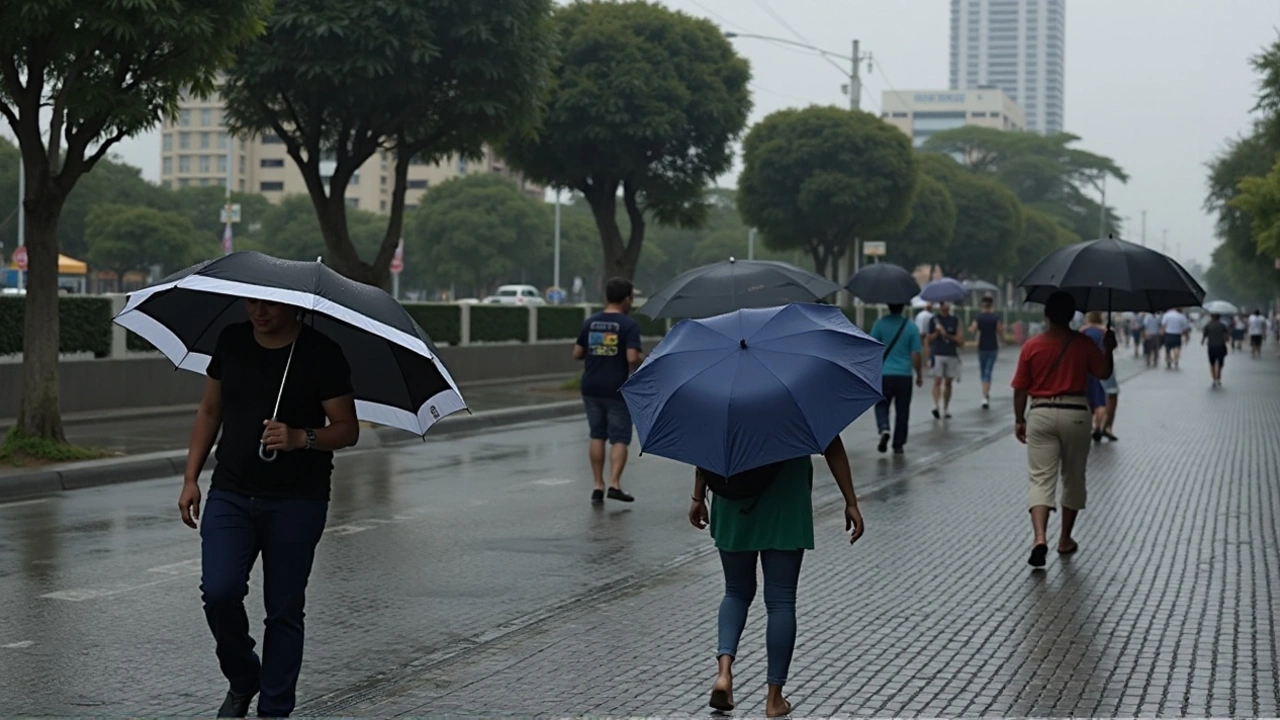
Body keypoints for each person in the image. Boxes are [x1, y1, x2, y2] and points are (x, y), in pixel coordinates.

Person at [179, 298, 359, 718]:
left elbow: (347, 429)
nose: (258, 312)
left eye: (269, 305)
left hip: (298, 499)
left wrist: (301, 438)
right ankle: (244, 677)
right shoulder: (232, 340)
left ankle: (274, 710)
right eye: (251, 303)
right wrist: (191, 477)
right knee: (219, 593)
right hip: (231, 492)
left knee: (283, 610)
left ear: (293, 307)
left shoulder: (322, 352)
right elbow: (210, 410)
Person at [689, 437, 864, 717]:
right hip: (787, 496)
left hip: (733, 494)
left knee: (735, 591)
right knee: (781, 601)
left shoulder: (723, 392)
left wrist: (698, 496)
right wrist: (851, 501)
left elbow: (707, 446)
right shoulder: (801, 392)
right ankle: (774, 699)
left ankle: (724, 673)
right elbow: (831, 443)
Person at [1012, 291, 1115, 567]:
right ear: (1071, 316)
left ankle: (1039, 538)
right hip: (1076, 414)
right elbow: (1103, 374)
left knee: (1040, 479)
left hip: (1041, 413)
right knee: (1073, 476)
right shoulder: (1083, 344)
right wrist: (1109, 349)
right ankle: (1065, 539)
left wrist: (1020, 419)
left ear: (1047, 315)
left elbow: (1020, 387)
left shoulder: (1032, 346)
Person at [574, 277, 644, 504]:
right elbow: (632, 358)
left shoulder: (591, 322)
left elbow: (577, 353)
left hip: (591, 386)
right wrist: (645, 359)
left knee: (597, 434)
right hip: (616, 387)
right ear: (627, 299)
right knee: (620, 437)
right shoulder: (628, 325)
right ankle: (614, 483)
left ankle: (597, 485)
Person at [870, 303, 924, 455]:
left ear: (888, 306)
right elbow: (916, 354)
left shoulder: (879, 324)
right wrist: (919, 374)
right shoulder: (911, 327)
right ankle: (898, 444)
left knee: (881, 405)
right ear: (903, 307)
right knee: (902, 411)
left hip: (884, 375)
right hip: (904, 376)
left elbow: (872, 348)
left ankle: (884, 428)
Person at [926, 302, 963, 419]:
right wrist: (937, 333)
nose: (945, 307)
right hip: (938, 354)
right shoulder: (934, 320)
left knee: (948, 383)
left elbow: (960, 340)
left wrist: (947, 335)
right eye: (942, 304)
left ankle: (946, 408)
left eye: (947, 304)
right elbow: (928, 339)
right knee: (937, 381)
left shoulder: (955, 320)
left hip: (951, 354)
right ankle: (936, 406)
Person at [968, 296, 1004, 409]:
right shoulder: (995, 317)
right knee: (988, 372)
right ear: (991, 305)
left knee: (983, 372)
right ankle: (985, 395)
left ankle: (985, 395)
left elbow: (972, 329)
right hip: (993, 347)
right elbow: (1000, 331)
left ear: (982, 305)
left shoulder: (979, 317)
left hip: (982, 347)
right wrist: (1003, 340)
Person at [1202, 312, 1230, 387]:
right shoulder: (1223, 325)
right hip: (1221, 346)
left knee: (1212, 363)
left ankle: (1214, 379)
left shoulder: (1208, 325)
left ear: (1211, 317)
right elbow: (1227, 336)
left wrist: (1202, 341)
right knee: (1220, 363)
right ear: (1219, 317)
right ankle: (1219, 377)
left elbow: (1204, 335)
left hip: (1211, 346)